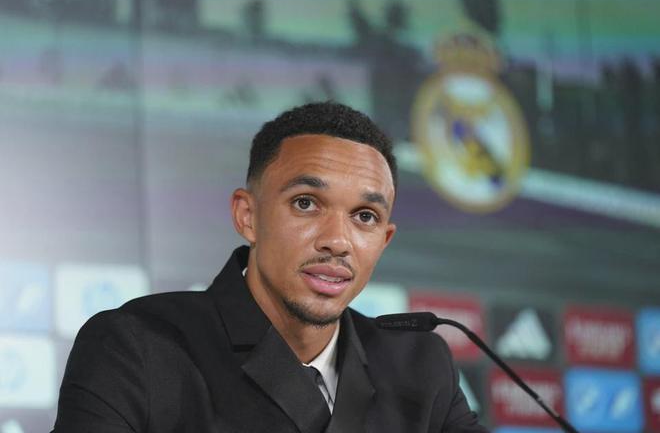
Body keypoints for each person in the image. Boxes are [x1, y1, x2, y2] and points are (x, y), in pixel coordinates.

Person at [52, 102, 487, 432]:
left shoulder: (420, 367)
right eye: (306, 203)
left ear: (384, 240)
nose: (337, 240)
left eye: (364, 216)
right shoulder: (136, 347)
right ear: (248, 216)